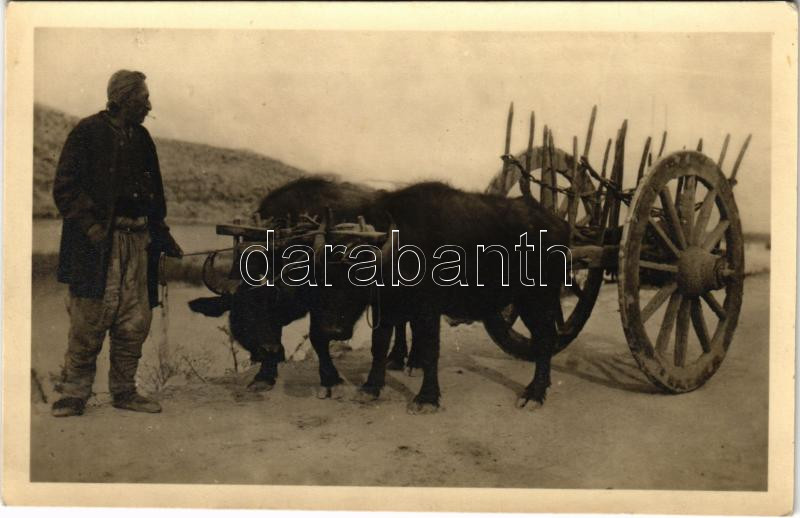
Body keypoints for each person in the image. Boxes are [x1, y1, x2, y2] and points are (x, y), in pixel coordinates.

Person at [50, 70, 183, 417]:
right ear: (124, 99)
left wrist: (162, 233)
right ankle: (74, 393)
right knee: (90, 317)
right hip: (97, 247)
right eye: (143, 99)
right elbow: (65, 188)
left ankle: (124, 391)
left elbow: (156, 195)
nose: (149, 105)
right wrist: (91, 227)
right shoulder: (87, 133)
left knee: (135, 318)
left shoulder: (142, 138)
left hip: (138, 243)